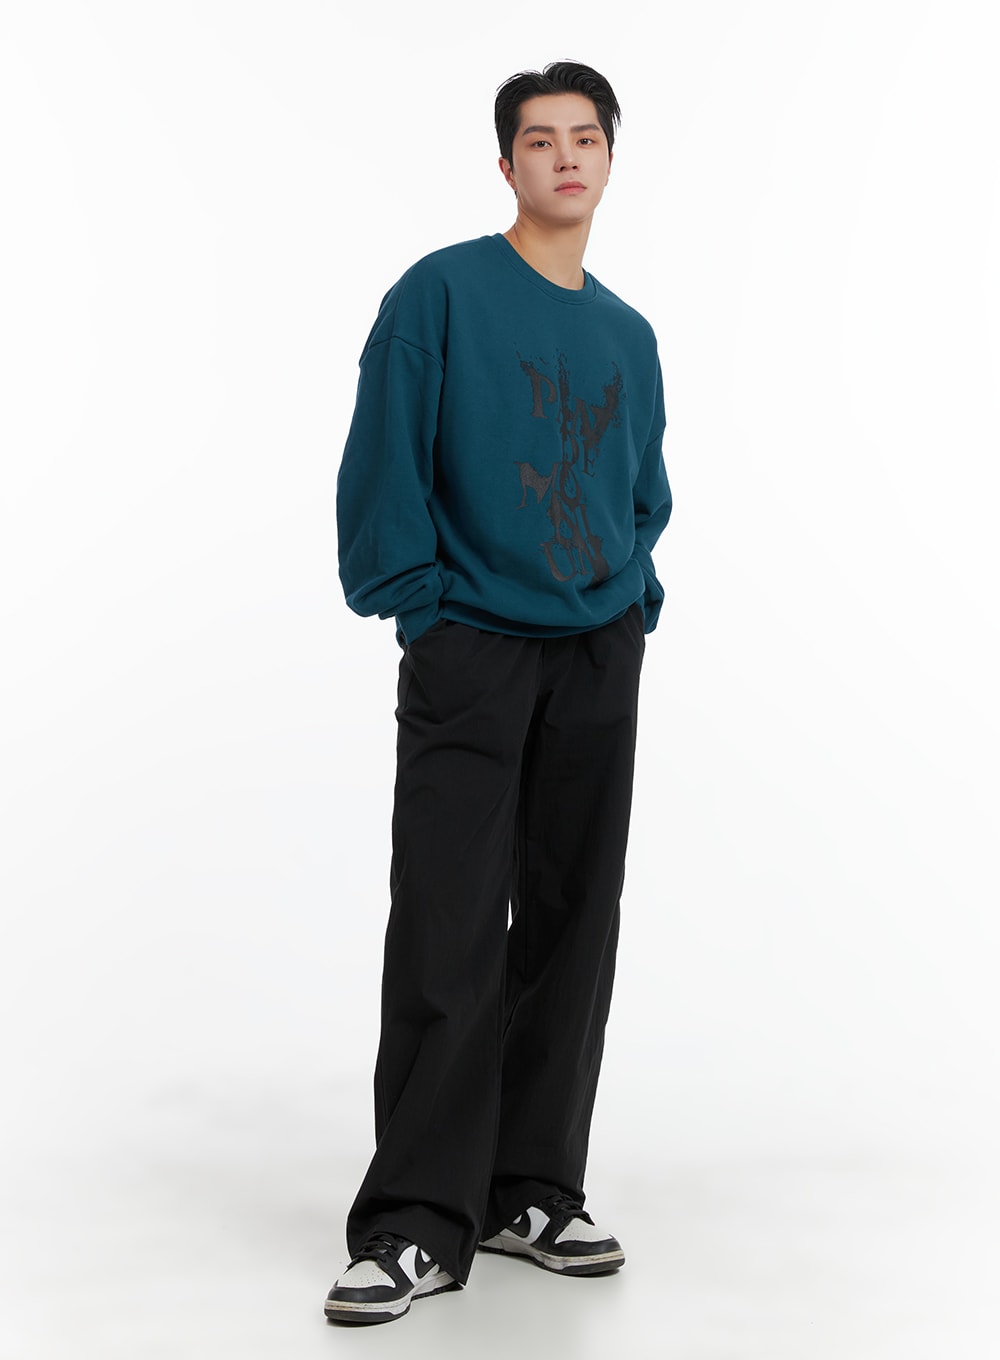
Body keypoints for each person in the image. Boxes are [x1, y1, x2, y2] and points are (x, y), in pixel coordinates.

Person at [325, 59, 672, 1326]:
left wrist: (632, 598)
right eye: (540, 140)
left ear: (610, 159)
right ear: (507, 162)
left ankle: (532, 1188)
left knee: (576, 917)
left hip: (597, 648)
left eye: (586, 138)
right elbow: (383, 461)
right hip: (472, 639)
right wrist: (418, 601)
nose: (565, 157)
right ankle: (417, 1217)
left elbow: (643, 487)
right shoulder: (440, 294)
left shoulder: (627, 334)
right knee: (451, 919)